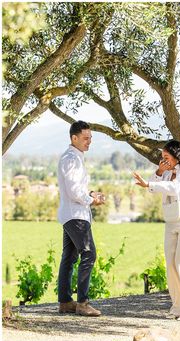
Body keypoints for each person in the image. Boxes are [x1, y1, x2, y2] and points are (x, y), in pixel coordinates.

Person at [133, 140, 180, 321]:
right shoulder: (166, 171)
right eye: (162, 158)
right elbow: (154, 188)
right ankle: (179, 306)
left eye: (166, 157)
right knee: (171, 264)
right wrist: (158, 172)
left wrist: (149, 184)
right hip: (172, 220)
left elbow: (175, 188)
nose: (164, 160)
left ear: (176, 155)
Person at [57, 120, 105, 317]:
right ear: (73, 138)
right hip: (76, 215)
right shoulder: (71, 159)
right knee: (89, 254)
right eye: (85, 138)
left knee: (69, 257)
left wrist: (91, 193)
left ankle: (66, 302)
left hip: (72, 214)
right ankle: (83, 303)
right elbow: (74, 190)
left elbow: (77, 187)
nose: (89, 142)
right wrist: (91, 200)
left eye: (90, 138)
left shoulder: (74, 157)